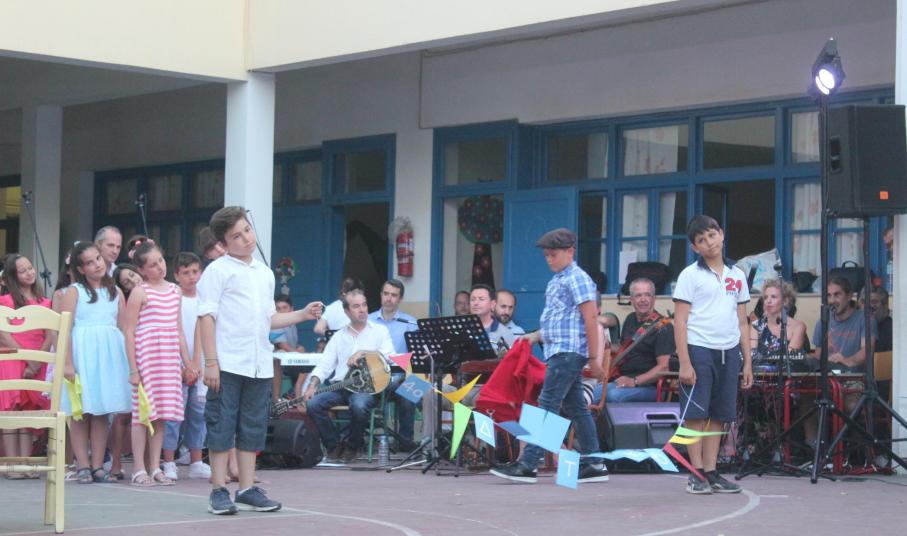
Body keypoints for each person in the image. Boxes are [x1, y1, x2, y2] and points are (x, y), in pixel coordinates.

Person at [198, 206, 323, 515]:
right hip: (227, 363)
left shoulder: (264, 273)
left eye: (247, 230)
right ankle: (218, 490)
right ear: (224, 244)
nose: (246, 239)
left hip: (259, 364)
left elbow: (270, 319)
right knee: (221, 424)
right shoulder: (217, 271)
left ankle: (247, 489)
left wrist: (303, 314)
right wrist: (211, 362)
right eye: (236, 236)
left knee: (252, 427)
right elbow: (206, 317)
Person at [491, 228, 609, 484]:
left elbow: (590, 318)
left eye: (553, 254)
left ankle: (528, 463)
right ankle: (594, 462)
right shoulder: (557, 280)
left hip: (568, 352)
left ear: (570, 252)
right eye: (546, 255)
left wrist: (593, 358)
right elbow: (560, 321)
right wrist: (534, 336)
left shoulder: (577, 278)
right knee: (576, 407)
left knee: (547, 403)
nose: (549, 260)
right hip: (559, 350)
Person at [673, 215, 752, 495]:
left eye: (712, 235)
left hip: (729, 351)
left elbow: (743, 322)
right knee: (696, 414)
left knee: (719, 415)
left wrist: (747, 362)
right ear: (695, 247)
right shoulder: (689, 275)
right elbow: (680, 320)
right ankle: (695, 474)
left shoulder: (737, 275)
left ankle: (711, 472)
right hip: (698, 349)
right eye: (701, 240)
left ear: (722, 234)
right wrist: (685, 362)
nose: (709, 242)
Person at [60, 241, 132, 484]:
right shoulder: (75, 292)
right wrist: (67, 363)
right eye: (89, 263)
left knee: (101, 411)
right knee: (80, 411)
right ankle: (82, 463)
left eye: (98, 259)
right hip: (83, 356)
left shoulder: (116, 292)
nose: (96, 265)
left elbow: (123, 328)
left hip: (108, 358)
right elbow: (65, 329)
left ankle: (98, 464)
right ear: (81, 269)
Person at [124, 241, 189, 487]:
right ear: (142, 270)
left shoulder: (175, 291)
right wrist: (133, 368)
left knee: (161, 414)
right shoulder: (140, 292)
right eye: (152, 265)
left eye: (160, 261)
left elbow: (179, 330)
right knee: (142, 414)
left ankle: (154, 466)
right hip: (147, 358)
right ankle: (138, 468)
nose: (159, 267)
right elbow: (129, 331)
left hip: (168, 360)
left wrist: (187, 362)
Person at [304, 289, 394, 464]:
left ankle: (353, 446)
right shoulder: (338, 336)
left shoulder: (380, 331)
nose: (362, 310)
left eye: (364, 305)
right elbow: (324, 365)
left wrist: (364, 352)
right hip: (341, 387)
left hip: (367, 387)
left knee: (359, 405)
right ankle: (334, 446)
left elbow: (390, 356)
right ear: (346, 312)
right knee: (313, 403)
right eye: (356, 306)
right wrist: (312, 385)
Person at [804, 277, 877, 447]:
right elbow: (818, 356)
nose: (832, 300)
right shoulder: (823, 321)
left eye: (837, 295)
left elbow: (867, 352)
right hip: (828, 381)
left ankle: (845, 450)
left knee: (850, 405)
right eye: (829, 296)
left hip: (856, 381)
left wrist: (845, 360)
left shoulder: (865, 319)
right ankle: (814, 449)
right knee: (806, 399)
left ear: (849, 295)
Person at [0, 254, 52, 479]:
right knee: (11, 409)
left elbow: (50, 335)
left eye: (30, 268)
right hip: (12, 359)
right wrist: (26, 358)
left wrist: (37, 360)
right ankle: (12, 464)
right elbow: (3, 333)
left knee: (30, 411)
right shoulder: (6, 301)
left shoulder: (44, 302)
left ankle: (26, 462)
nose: (29, 273)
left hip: (38, 360)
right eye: (23, 271)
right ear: (13, 276)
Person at [161, 252, 211, 481]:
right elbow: (175, 331)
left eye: (195, 271)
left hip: (200, 364)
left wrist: (197, 364)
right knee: (173, 416)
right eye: (186, 273)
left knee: (198, 414)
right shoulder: (174, 297)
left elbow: (203, 331)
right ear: (176, 275)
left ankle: (196, 461)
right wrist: (184, 364)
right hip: (176, 363)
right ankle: (169, 461)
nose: (192, 277)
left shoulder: (204, 298)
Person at [594, 278, 673, 404]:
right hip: (623, 380)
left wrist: (635, 381)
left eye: (647, 295)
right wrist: (601, 345)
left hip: (650, 387)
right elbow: (624, 348)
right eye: (638, 295)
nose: (643, 299)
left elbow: (664, 366)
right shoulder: (630, 319)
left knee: (613, 396)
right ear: (631, 299)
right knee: (586, 395)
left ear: (654, 299)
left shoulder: (663, 326)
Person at [368, 279, 419, 450]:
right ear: (381, 295)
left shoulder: (410, 323)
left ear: (400, 299)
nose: (389, 298)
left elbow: (418, 356)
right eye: (386, 294)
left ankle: (406, 442)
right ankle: (368, 439)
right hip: (372, 378)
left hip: (401, 377)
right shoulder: (368, 320)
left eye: (394, 295)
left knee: (415, 387)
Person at [749, 279, 806, 359]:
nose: (768, 301)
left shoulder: (798, 327)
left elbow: (790, 358)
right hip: (760, 367)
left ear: (785, 301)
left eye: (773, 297)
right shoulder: (756, 325)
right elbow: (752, 356)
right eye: (765, 297)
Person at [470, 284, 515, 351]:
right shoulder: (462, 329)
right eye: (472, 299)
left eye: (481, 299)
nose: (475, 303)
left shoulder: (505, 334)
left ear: (493, 304)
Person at [869, 286, 892, 352]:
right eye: (867, 302)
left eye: (874, 302)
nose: (870, 306)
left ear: (885, 305)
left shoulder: (891, 328)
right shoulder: (864, 325)